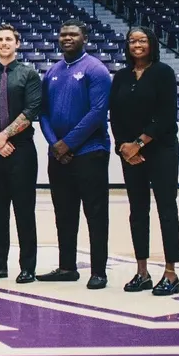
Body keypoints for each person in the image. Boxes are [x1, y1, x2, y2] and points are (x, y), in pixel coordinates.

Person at [38, 19, 112, 289]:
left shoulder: (96, 69)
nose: (67, 38)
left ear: (85, 38)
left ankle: (99, 271)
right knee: (64, 213)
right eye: (63, 34)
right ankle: (67, 266)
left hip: (91, 152)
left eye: (73, 34)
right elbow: (43, 111)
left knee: (95, 213)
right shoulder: (53, 71)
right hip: (58, 155)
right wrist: (55, 143)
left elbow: (97, 113)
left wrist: (67, 143)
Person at [111, 26, 179, 296]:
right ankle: (142, 272)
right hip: (130, 154)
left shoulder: (163, 73)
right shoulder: (121, 76)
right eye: (132, 40)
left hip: (161, 149)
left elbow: (166, 116)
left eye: (142, 40)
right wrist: (123, 148)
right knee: (137, 211)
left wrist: (139, 143)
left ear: (151, 43)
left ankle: (171, 273)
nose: (137, 45)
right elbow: (114, 115)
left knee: (166, 209)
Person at [0, 24, 43, 284]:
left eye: (8, 39)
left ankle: (28, 266)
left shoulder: (29, 74)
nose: (4, 43)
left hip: (21, 149)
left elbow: (32, 109)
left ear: (17, 44)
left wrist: (5, 136)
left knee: (25, 209)